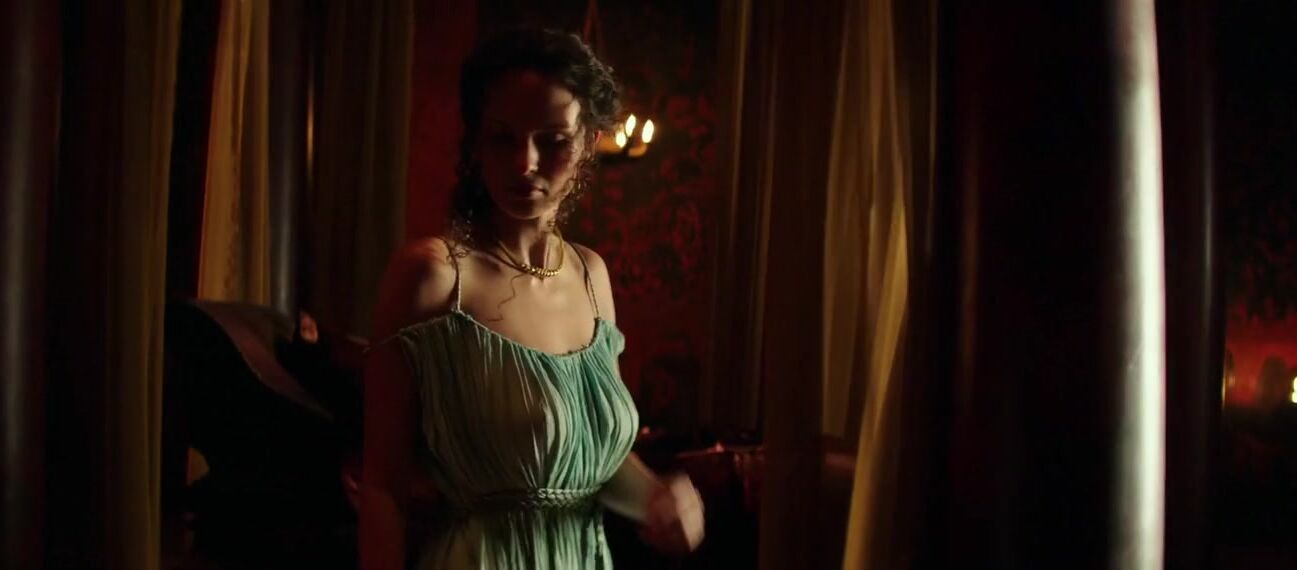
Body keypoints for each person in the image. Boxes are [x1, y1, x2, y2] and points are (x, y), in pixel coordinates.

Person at [359, 28, 704, 569]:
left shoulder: (591, 276)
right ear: (476, 144)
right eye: (503, 138)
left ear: (588, 142)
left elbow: (585, 457)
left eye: (553, 140)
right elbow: (382, 488)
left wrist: (659, 499)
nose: (525, 162)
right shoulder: (433, 278)